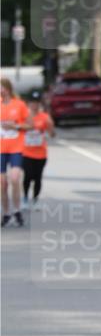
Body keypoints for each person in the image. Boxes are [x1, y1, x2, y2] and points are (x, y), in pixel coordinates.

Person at [1, 77, 31, 227]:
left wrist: (16, 127)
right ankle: (6, 213)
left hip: (16, 148)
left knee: (14, 178)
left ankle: (17, 210)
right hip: (1, 150)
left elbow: (29, 125)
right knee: (2, 183)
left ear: (7, 88)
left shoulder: (19, 105)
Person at [22, 90, 55, 208]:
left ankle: (35, 199)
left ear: (39, 104)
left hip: (40, 153)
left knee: (37, 177)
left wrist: (50, 127)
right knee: (27, 175)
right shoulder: (24, 116)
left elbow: (52, 134)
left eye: (36, 102)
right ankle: (25, 197)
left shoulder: (45, 117)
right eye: (32, 102)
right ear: (28, 103)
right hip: (26, 152)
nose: (34, 105)